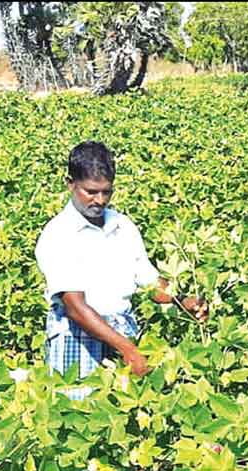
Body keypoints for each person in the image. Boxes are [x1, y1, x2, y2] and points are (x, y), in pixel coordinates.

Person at [35, 141, 208, 399]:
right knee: (77, 419)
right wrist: (128, 349)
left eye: (107, 192)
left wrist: (183, 301)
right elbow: (75, 308)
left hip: (121, 332)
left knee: (122, 411)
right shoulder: (58, 234)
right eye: (91, 191)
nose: (100, 200)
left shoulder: (122, 225)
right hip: (78, 337)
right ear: (70, 183)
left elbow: (149, 281)